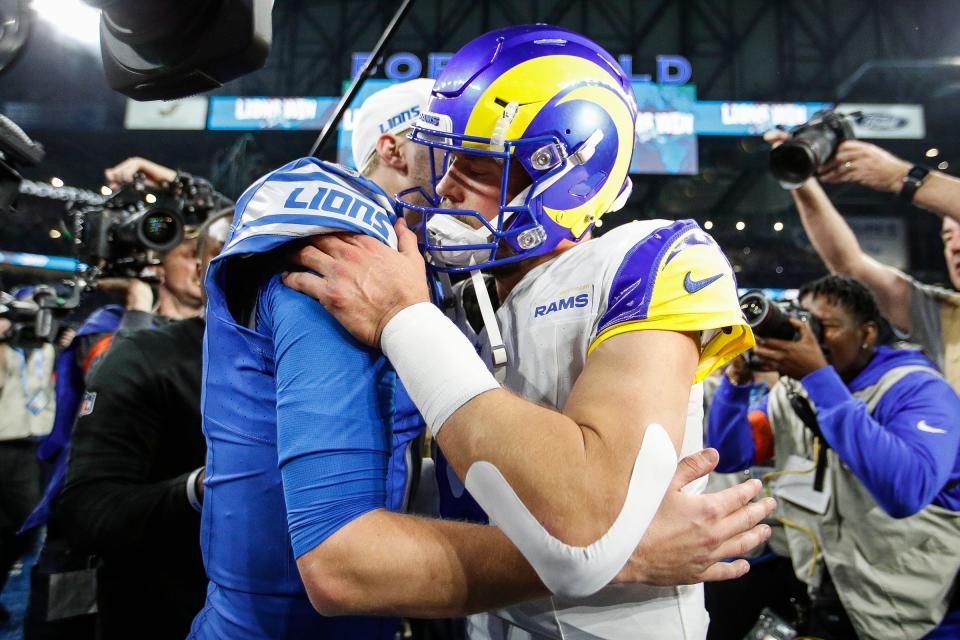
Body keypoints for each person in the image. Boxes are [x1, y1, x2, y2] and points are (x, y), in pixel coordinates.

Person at [192, 63, 774, 640]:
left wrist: (405, 319)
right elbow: (468, 498)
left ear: (566, 177)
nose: (444, 188)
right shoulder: (460, 299)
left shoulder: (648, 254)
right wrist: (626, 552)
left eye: (472, 164)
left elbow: (586, 527)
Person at [707, 275, 960, 639]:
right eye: (803, 321)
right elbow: (731, 455)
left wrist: (818, 377)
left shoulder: (919, 389)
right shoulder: (797, 391)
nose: (811, 337)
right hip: (831, 592)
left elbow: (906, 492)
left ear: (868, 334)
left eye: (826, 326)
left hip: (916, 612)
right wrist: (737, 380)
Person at [47, 211, 231, 640]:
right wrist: (205, 487)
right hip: (161, 608)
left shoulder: (314, 362)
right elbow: (88, 510)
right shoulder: (140, 351)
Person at [764, 130, 960, 392]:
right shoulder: (945, 318)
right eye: (947, 237)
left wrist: (900, 177)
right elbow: (850, 266)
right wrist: (800, 176)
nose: (955, 246)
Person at [0, 319, 55, 625]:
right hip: (7, 445)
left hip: (38, 445)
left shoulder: (45, 346)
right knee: (25, 527)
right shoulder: (7, 349)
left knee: (17, 529)